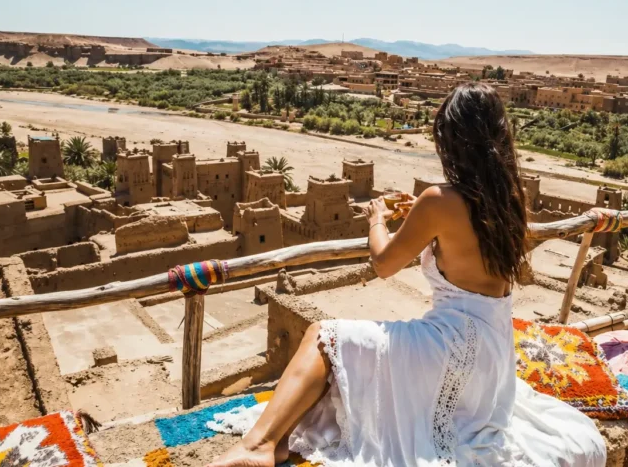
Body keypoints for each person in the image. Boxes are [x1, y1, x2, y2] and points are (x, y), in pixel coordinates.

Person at [208, 83, 606, 467]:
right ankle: (265, 443)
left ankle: (260, 445)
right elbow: (464, 226)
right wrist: (423, 210)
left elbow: (384, 264)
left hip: (450, 348)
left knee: (323, 335)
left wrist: (377, 218)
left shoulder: (440, 201)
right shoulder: (509, 198)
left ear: (452, 139)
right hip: (491, 363)